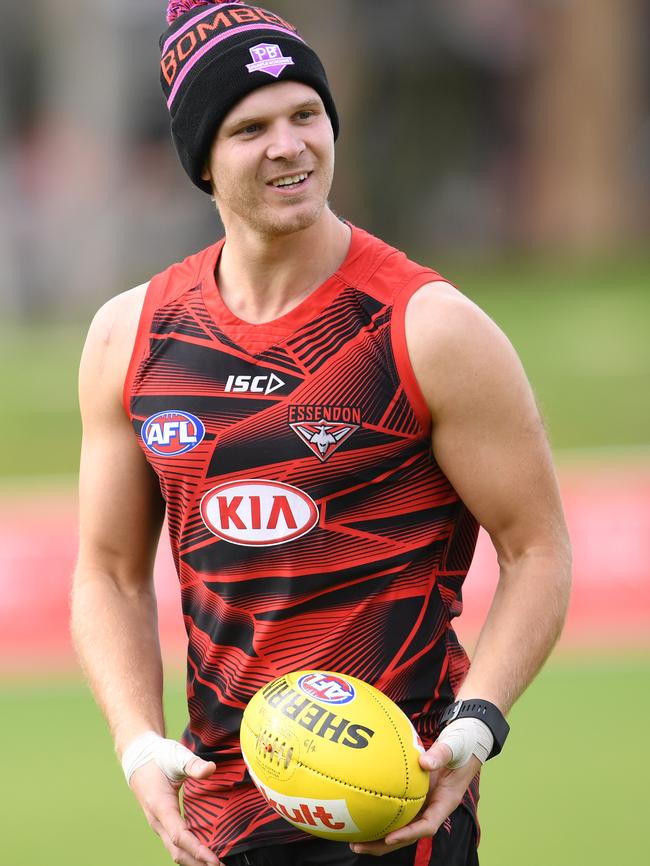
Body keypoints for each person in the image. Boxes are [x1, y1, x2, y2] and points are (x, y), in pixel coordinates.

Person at [71, 2, 572, 865]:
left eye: (306, 114)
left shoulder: (429, 329)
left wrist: (478, 724)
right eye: (251, 127)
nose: (291, 145)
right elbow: (110, 569)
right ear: (201, 160)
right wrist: (135, 740)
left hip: (400, 810)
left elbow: (538, 549)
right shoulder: (132, 336)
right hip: (222, 818)